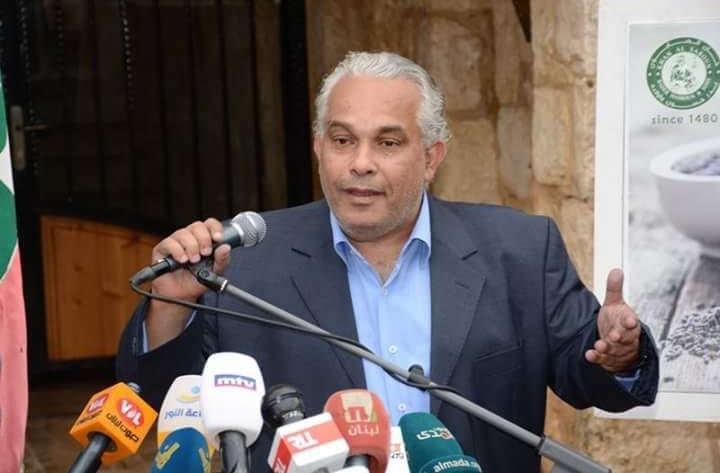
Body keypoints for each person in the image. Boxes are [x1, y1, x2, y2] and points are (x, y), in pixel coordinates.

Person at [117, 51, 658, 473]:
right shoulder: (244, 262)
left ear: (432, 157)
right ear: (318, 148)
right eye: (342, 140)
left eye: (388, 143)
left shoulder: (519, 249)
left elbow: (587, 379)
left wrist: (619, 354)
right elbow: (167, 405)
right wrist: (172, 307)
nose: (360, 163)